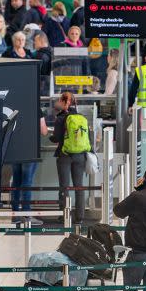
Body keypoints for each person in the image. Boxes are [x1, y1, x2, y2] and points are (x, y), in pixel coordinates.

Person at [50, 91, 92, 223]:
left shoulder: (61, 118)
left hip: (65, 156)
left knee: (64, 186)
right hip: (80, 156)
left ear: (63, 102)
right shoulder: (81, 118)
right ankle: (80, 216)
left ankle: (65, 215)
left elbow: (56, 137)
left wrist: (51, 137)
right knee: (78, 185)